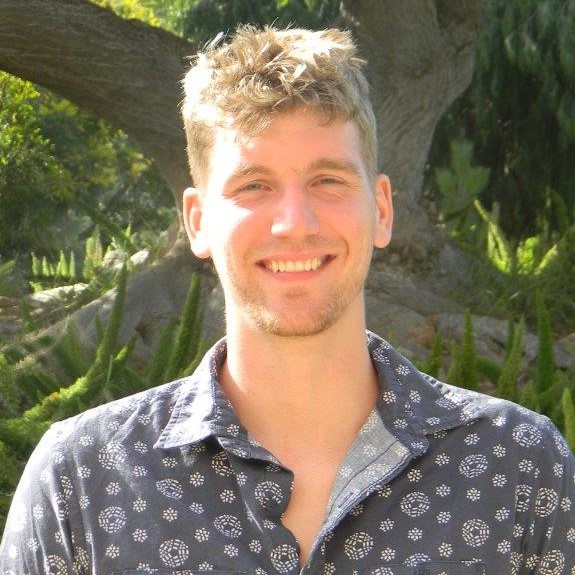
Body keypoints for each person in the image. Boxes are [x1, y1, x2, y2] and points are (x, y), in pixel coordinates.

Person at [1, 25, 574, 575]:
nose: (294, 223)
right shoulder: (82, 481)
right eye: (254, 186)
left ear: (381, 210)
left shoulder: (520, 469)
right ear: (197, 222)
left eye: (328, 180)